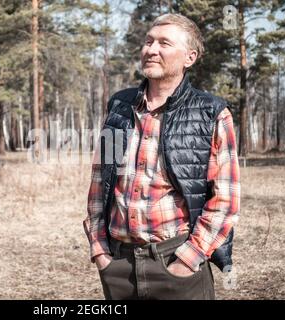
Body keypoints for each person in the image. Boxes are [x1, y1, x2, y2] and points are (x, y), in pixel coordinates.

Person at [83, 13, 240, 300]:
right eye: (148, 42)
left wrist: (188, 259)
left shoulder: (212, 113)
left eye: (164, 43)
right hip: (118, 264)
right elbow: (99, 181)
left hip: (176, 263)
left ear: (189, 57)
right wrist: (100, 250)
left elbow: (226, 200)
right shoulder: (119, 105)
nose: (151, 50)